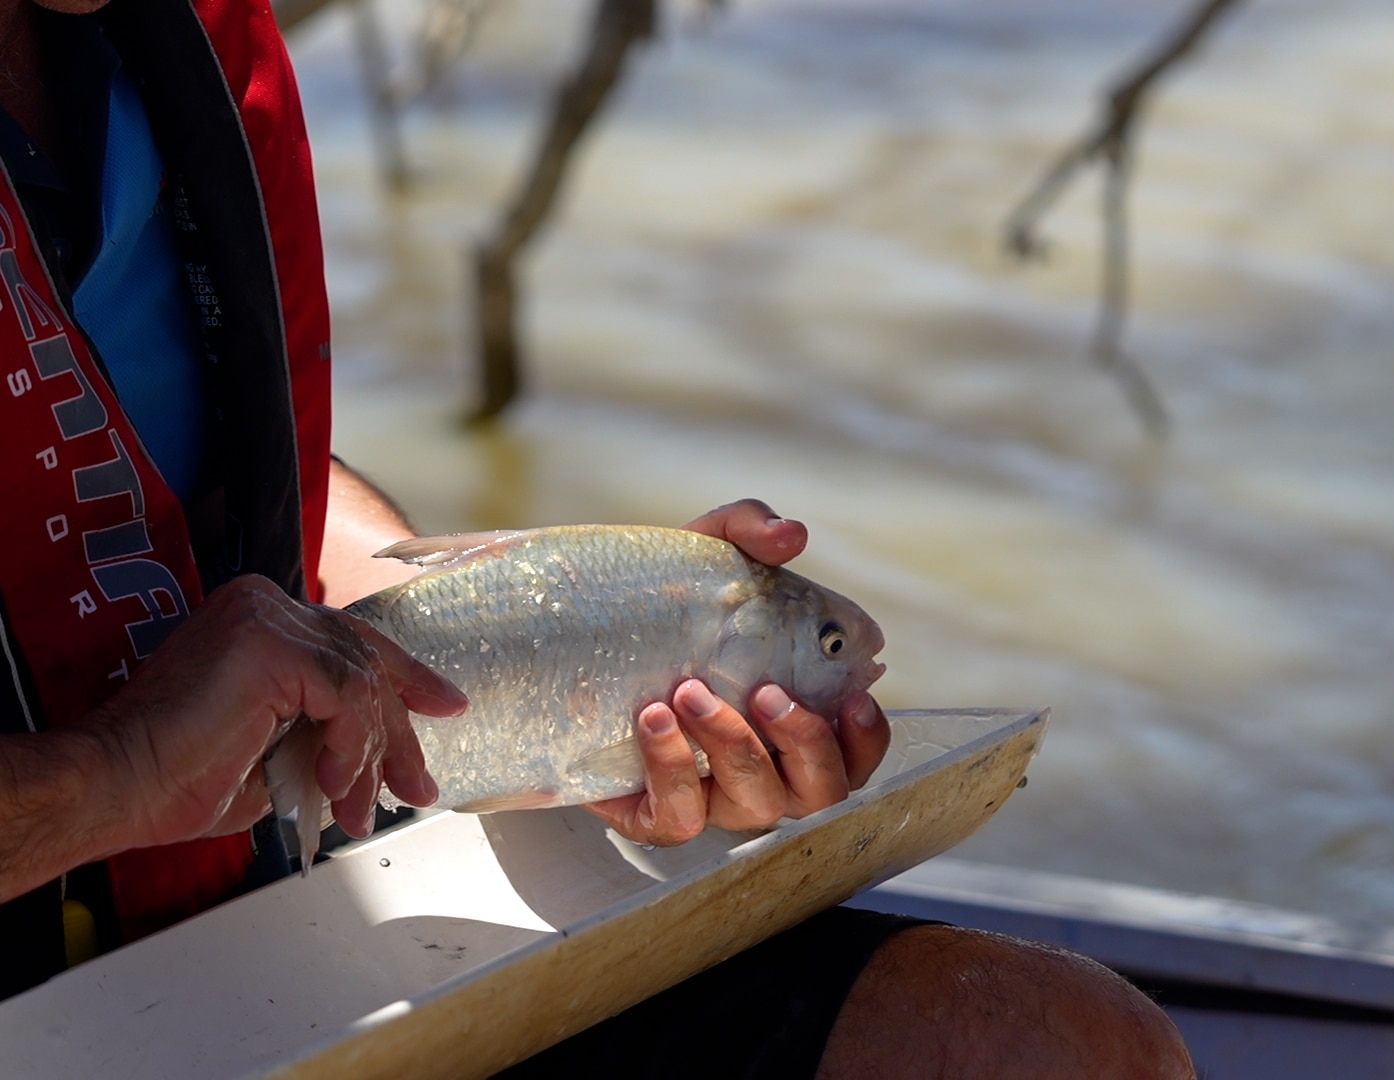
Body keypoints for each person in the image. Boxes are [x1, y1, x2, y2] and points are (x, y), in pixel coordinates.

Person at [0, 1, 1195, 1075]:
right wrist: (116, 780)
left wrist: (554, 628)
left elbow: (235, 486)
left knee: (1060, 1048)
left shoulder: (177, 40)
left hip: (278, 909)